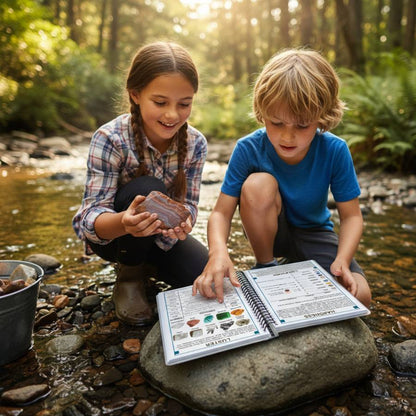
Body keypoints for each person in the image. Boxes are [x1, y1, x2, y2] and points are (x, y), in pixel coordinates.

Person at [192, 48, 371, 308]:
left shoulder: (335, 149)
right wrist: (218, 252)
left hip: (315, 233)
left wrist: (342, 260)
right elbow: (220, 213)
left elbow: (352, 216)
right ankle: (266, 266)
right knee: (257, 184)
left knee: (361, 296)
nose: (287, 137)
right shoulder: (248, 148)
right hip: (271, 235)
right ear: (262, 113)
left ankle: (299, 269)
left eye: (302, 126)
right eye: (276, 123)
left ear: (322, 116)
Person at [73, 41, 208, 325]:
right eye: (160, 103)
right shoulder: (109, 138)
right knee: (146, 188)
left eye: (184, 104)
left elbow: (191, 205)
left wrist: (185, 223)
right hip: (115, 237)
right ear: (135, 95)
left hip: (162, 238)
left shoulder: (196, 144)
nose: (172, 115)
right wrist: (124, 222)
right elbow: (88, 219)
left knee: (205, 277)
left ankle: (150, 263)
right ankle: (130, 275)